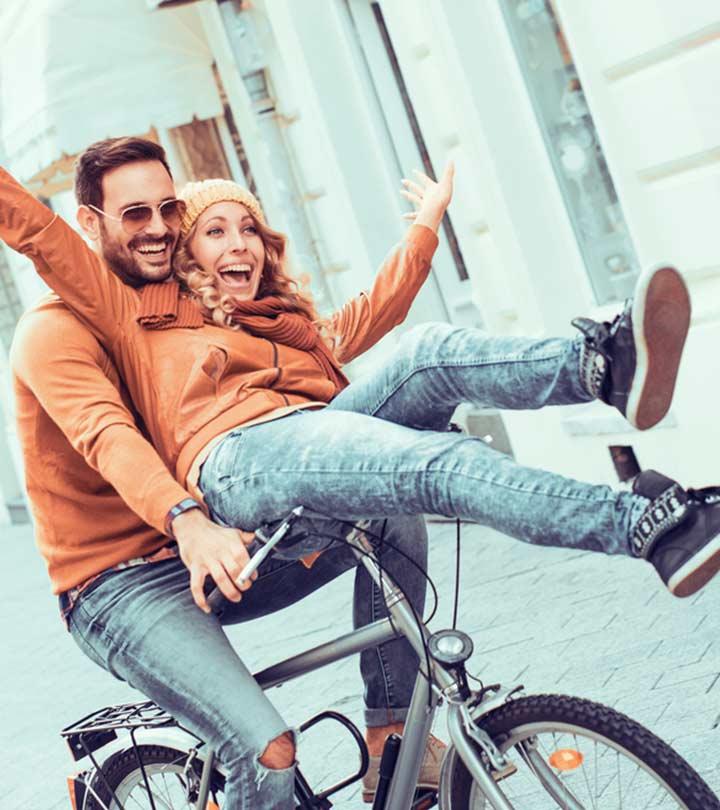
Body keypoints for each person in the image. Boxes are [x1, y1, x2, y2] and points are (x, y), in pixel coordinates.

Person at [3, 136, 719, 809]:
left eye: (172, 212)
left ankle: (600, 365)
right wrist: (185, 520)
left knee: (426, 362)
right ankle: (647, 525)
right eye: (139, 215)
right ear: (91, 224)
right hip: (140, 567)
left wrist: (425, 230)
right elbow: (107, 430)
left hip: (241, 514)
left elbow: (365, 319)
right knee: (271, 747)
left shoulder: (228, 311)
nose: (161, 228)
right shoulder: (95, 313)